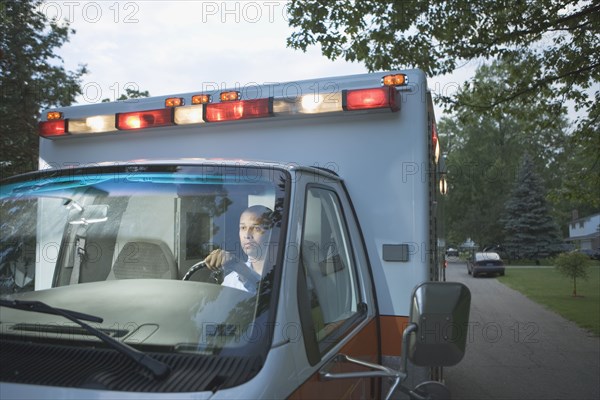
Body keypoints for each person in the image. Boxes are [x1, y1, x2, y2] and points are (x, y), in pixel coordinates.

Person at [203, 205, 273, 293]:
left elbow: (268, 296)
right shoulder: (231, 281)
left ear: (272, 234)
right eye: (243, 228)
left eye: (256, 228)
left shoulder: (286, 275)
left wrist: (240, 268)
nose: (247, 235)